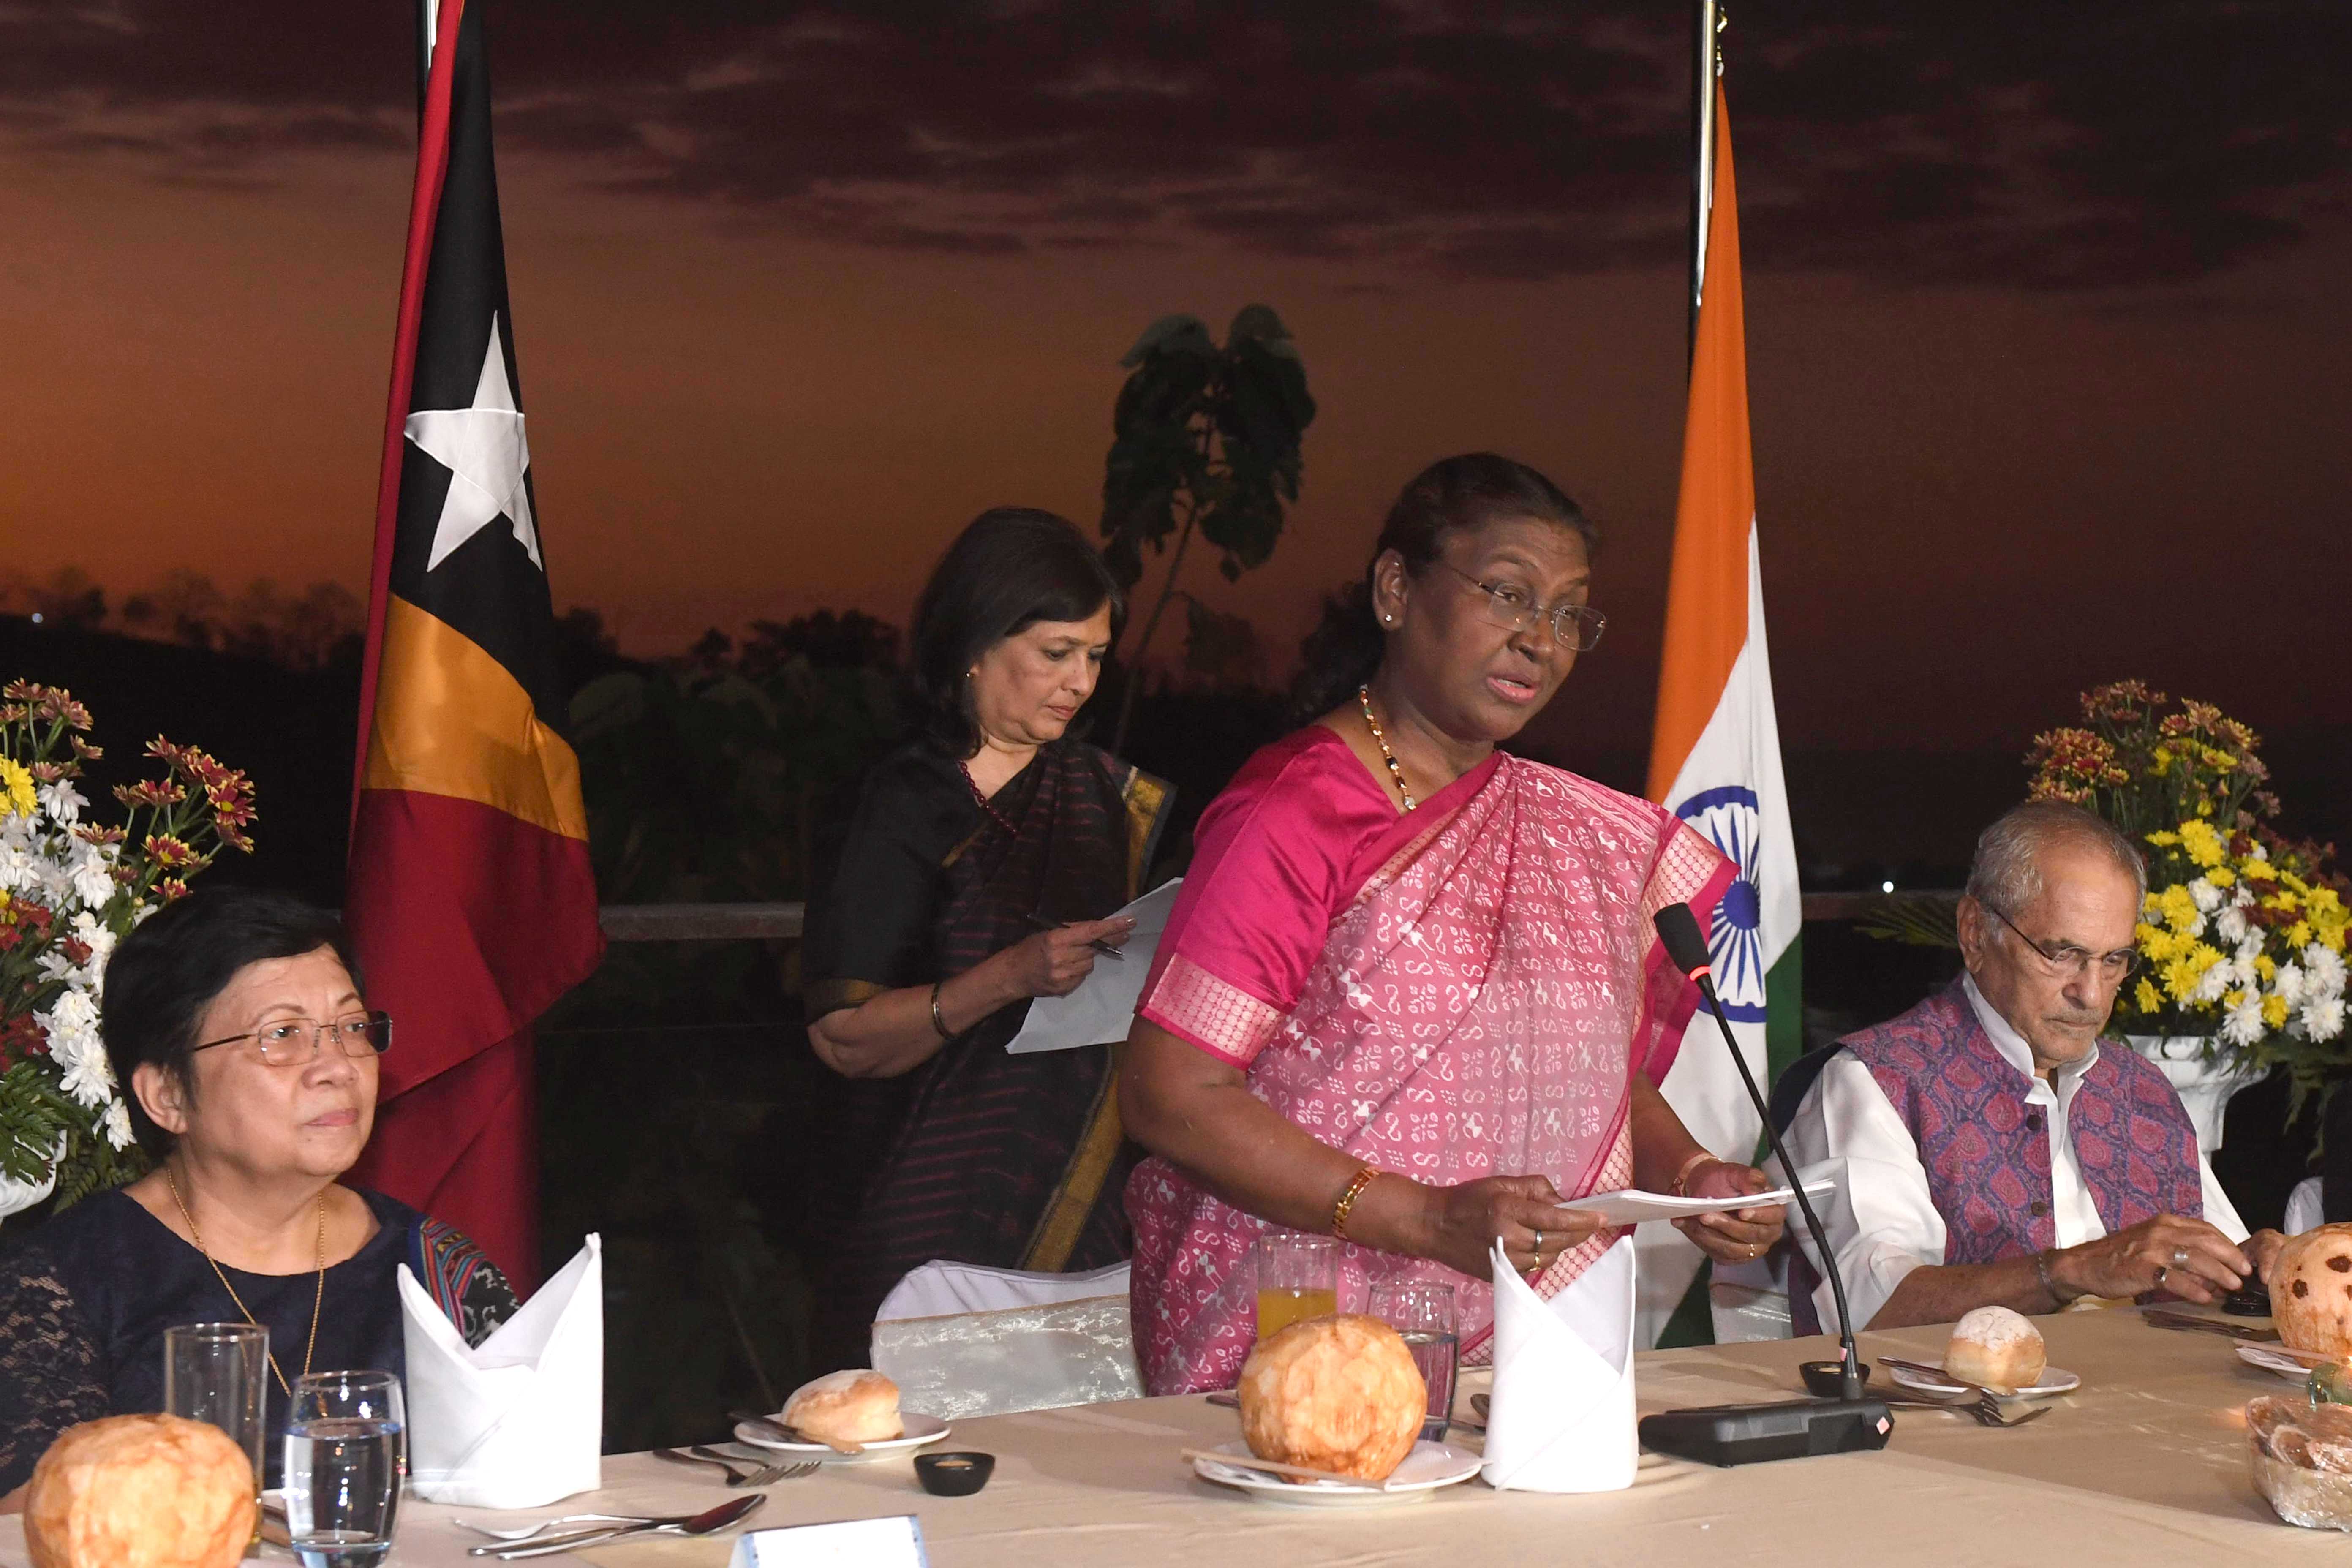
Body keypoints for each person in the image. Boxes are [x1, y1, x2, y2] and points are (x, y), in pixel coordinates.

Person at [1117, 453, 1787, 1395]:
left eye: (1566, 614)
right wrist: (1425, 1219)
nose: (1540, 641)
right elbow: (1171, 1091)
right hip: (1308, 1322)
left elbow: (1588, 1065)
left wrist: (1687, 1172)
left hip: (1536, 1330)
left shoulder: (1582, 828)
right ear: (1396, 590)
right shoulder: (1294, 811)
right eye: (1508, 595)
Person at [801, 507, 1172, 1369]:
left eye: (1096, 656)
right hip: (924, 1215)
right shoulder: (900, 803)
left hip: (1089, 1214)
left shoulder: (1106, 799)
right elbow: (843, 1038)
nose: (1080, 681)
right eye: (1056, 652)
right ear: (974, 642)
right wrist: (1007, 975)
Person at [0, 886, 515, 1505]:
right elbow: (36, 1525)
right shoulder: (60, 1283)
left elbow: (532, 1487)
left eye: (352, 1027)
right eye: (283, 1035)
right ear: (167, 1095)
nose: (338, 1067)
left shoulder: (437, 1269)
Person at [1784, 800, 2289, 1333]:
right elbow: (1871, 1309)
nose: (2091, 994)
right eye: (2062, 954)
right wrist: (2071, 1271)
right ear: (1976, 933)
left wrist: (2252, 1266)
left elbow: (2213, 1257)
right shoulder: (1874, 1081)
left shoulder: (2142, 1088)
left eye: (2113, 960)